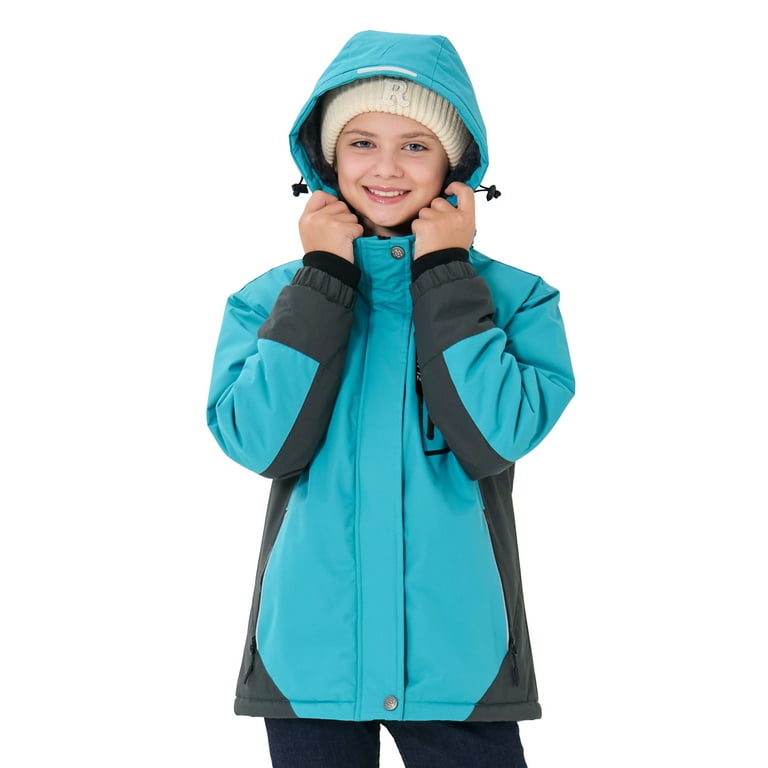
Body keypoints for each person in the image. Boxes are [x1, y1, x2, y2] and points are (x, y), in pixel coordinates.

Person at [206, 29, 575, 768]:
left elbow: (496, 436)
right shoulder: (270, 300)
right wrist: (323, 279)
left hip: (458, 658)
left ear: (455, 165)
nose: (385, 167)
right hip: (311, 654)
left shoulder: (517, 300)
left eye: (414, 145)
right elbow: (260, 442)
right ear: (326, 159)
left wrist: (444, 273)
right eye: (361, 142)